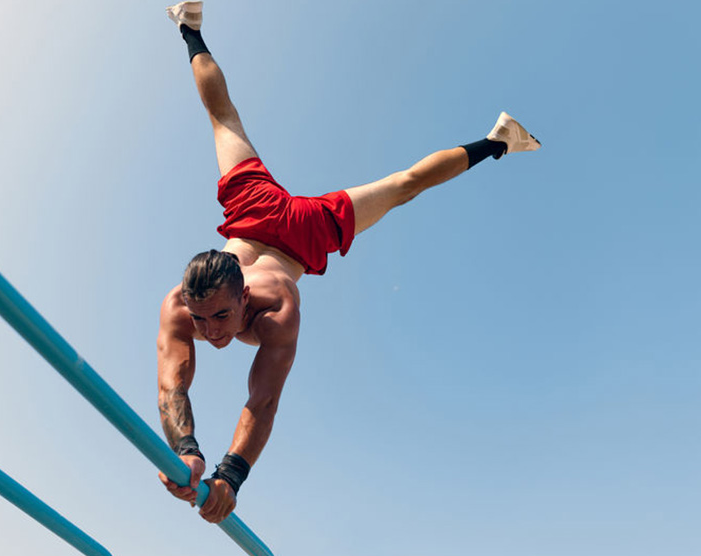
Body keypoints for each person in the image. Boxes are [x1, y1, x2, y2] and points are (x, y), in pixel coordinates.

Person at [156, 1, 540, 524]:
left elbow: (263, 399)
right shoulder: (182, 308)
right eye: (202, 320)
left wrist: (231, 474)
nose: (211, 331)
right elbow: (172, 384)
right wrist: (185, 450)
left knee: (404, 186)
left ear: (244, 295)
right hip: (250, 213)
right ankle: (189, 28)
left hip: (300, 229)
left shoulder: (278, 306)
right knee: (221, 117)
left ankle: (497, 140)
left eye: (221, 317)